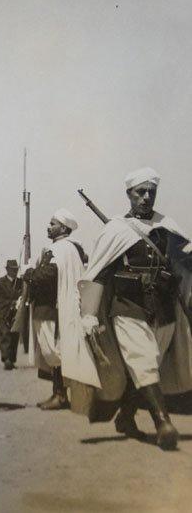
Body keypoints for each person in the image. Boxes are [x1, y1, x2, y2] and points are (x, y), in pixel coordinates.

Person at [73, 168, 192, 450]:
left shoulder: (168, 228)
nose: (146, 197)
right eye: (140, 192)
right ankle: (163, 423)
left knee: (146, 370)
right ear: (129, 194)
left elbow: (184, 269)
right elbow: (99, 272)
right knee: (144, 361)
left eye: (151, 192)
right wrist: (89, 313)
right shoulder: (115, 230)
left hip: (162, 311)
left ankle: (125, 418)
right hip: (127, 308)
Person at [23, 209, 86, 410]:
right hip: (53, 307)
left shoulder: (59, 249)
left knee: (53, 352)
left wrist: (29, 273)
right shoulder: (70, 249)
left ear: (63, 228)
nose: (48, 227)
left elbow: (48, 275)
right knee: (54, 352)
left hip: (49, 309)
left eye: (52, 224)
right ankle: (57, 394)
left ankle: (60, 395)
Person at [0, 260, 22, 370]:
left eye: (16, 269)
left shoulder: (20, 283)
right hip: (2, 314)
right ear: (7, 269)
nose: (14, 271)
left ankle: (12, 359)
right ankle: (6, 359)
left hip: (15, 314)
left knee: (14, 336)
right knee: (4, 335)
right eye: (12, 269)